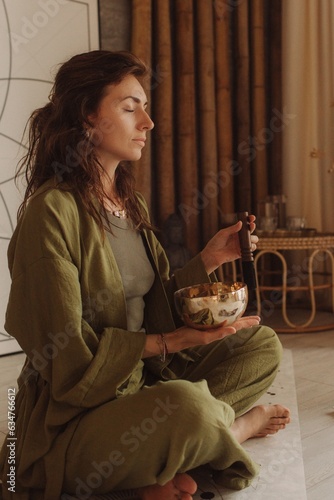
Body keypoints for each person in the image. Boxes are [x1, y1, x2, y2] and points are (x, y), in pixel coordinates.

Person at [0, 50, 290, 500]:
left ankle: (166, 456)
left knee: (261, 344)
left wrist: (210, 259)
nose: (148, 122)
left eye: (145, 107)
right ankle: (226, 431)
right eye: (130, 107)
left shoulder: (129, 205)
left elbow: (152, 304)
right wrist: (169, 343)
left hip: (142, 381)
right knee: (187, 406)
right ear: (88, 117)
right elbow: (66, 361)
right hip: (74, 413)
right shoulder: (51, 213)